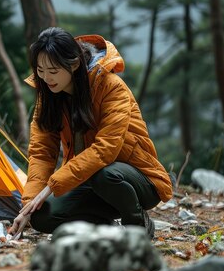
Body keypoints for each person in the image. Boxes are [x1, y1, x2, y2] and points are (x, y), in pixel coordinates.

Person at [9, 27, 173, 239]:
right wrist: (29, 204)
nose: (46, 78)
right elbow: (41, 153)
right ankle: (107, 228)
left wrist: (51, 187)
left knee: (104, 173)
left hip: (136, 180)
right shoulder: (49, 96)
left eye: (53, 70)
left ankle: (137, 225)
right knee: (42, 217)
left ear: (74, 64)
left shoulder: (112, 87)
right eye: (40, 70)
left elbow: (105, 150)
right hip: (87, 179)